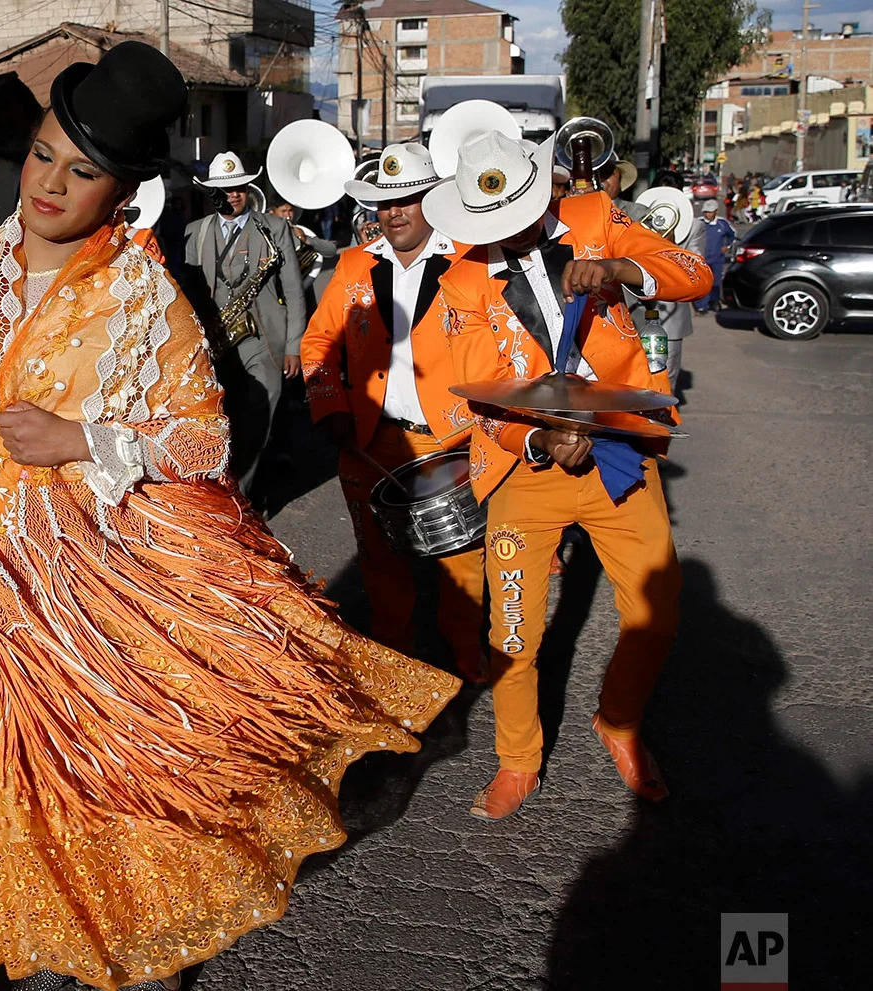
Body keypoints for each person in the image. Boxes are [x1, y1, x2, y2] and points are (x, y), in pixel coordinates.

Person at [0, 42, 459, 991]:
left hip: (91, 611)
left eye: (83, 169)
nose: (52, 181)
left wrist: (82, 438)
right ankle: (36, 943)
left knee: (112, 817)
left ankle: (134, 956)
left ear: (124, 187)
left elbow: (204, 445)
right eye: (44, 153)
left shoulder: (144, 299)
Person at [424, 130, 711, 819]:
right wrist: (538, 438)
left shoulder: (596, 218)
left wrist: (621, 269)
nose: (507, 234)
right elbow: (463, 390)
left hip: (619, 453)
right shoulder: (462, 278)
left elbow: (695, 275)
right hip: (528, 474)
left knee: (656, 614)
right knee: (514, 633)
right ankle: (517, 759)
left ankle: (619, 721)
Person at [298, 143, 487, 684]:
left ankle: (466, 653)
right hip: (367, 441)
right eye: (385, 203)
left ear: (433, 199)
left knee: (463, 564)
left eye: (408, 199)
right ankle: (396, 662)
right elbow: (318, 344)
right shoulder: (356, 263)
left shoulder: (471, 259)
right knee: (380, 564)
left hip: (449, 442)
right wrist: (329, 407)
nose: (394, 212)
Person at [183, 150, 306, 496]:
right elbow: (189, 293)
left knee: (257, 420)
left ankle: (243, 497)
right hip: (215, 342)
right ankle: (221, 494)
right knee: (222, 422)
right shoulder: (195, 232)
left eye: (238, 187)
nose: (232, 194)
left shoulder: (275, 228)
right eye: (224, 189)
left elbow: (294, 292)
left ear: (248, 188)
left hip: (263, 338)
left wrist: (294, 346)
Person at [697, 198, 736, 313]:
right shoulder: (698, 223)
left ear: (716, 211)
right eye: (706, 212)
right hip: (702, 259)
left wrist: (727, 246)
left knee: (716, 282)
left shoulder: (722, 224)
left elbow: (732, 235)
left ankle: (714, 302)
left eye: (710, 212)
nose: (708, 214)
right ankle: (701, 306)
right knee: (703, 283)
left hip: (717, 258)